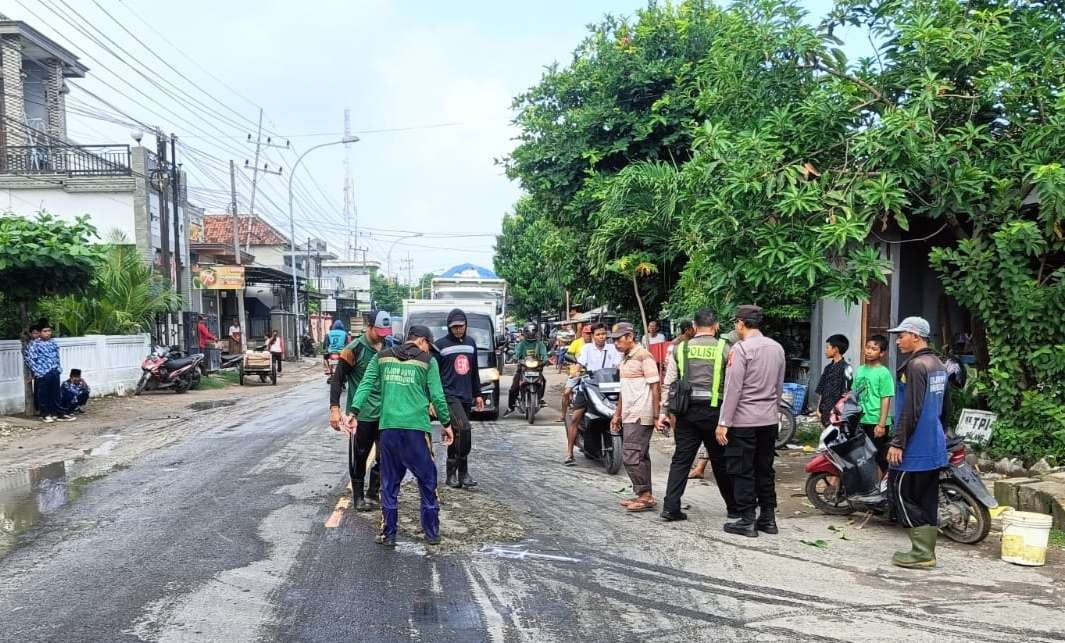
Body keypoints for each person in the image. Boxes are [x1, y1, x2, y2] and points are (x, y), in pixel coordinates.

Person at [347, 325, 454, 547]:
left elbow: (365, 385)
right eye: (428, 345)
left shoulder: (382, 357)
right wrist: (446, 423)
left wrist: (353, 411)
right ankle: (432, 533)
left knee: (389, 484)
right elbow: (437, 396)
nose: (429, 350)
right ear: (422, 341)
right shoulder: (427, 361)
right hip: (417, 432)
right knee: (427, 481)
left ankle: (389, 533)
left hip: (389, 430)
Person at [658, 310, 736, 522]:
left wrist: (663, 412)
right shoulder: (725, 348)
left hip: (685, 413)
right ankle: (734, 508)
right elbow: (732, 385)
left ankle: (670, 507)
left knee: (681, 460)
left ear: (694, 325)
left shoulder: (680, 348)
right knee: (721, 461)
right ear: (716, 326)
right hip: (714, 413)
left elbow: (670, 382)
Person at [716, 305, 785, 537]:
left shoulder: (741, 349)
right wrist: (773, 414)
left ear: (740, 323)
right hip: (768, 420)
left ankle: (746, 519)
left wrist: (724, 421)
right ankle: (768, 518)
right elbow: (778, 386)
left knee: (742, 469)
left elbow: (733, 388)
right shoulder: (776, 348)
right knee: (764, 469)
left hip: (744, 421)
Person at [886, 316, 949, 569]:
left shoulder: (915, 366)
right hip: (934, 441)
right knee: (926, 497)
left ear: (915, 335)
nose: (898, 340)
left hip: (915, 446)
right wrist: (942, 433)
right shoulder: (937, 364)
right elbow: (946, 406)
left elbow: (911, 409)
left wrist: (898, 442)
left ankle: (921, 551)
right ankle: (927, 551)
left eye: (901, 335)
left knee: (900, 493)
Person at [329, 309, 393, 512]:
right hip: (361, 414)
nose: (383, 335)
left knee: (386, 455)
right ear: (369, 326)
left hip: (386, 412)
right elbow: (337, 380)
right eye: (379, 331)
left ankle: (373, 492)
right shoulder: (353, 349)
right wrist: (335, 409)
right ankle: (358, 496)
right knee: (360, 455)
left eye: (386, 331)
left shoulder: (390, 346)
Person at [610, 322, 662, 512]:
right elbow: (624, 390)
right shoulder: (625, 359)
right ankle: (643, 493)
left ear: (630, 337)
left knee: (631, 455)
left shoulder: (644, 357)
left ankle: (645, 496)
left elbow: (655, 387)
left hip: (640, 414)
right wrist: (617, 414)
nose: (616, 343)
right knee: (639, 455)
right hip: (629, 413)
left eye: (619, 339)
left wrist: (656, 416)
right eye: (614, 340)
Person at [435, 308, 485, 489]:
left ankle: (456, 475)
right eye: (454, 327)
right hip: (449, 395)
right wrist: (434, 399)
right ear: (449, 327)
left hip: (465, 395)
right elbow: (435, 375)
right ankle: (459, 470)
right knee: (464, 429)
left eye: (461, 326)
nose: (458, 330)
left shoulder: (471, 343)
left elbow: (474, 372)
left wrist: (478, 394)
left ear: (466, 325)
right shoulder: (440, 346)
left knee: (457, 434)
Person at [563, 323, 621, 464]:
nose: (601, 337)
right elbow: (580, 363)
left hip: (610, 386)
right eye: (598, 334)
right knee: (576, 417)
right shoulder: (587, 348)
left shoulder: (613, 348)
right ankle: (569, 452)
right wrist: (576, 370)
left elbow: (619, 364)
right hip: (590, 385)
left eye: (603, 334)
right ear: (593, 336)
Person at [854, 334, 894, 477]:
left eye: (874, 349)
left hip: (876, 421)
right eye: (868, 347)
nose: (869, 351)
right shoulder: (860, 370)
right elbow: (854, 393)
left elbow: (886, 398)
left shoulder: (883, 373)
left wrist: (881, 424)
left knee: (877, 457)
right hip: (860, 419)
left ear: (882, 353)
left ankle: (882, 489)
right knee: (862, 456)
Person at [25, 324, 73, 423]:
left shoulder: (53, 343)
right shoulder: (34, 344)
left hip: (54, 371)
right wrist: (39, 372)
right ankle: (45, 414)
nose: (48, 333)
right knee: (43, 394)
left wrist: (58, 369)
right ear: (40, 333)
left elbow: (57, 357)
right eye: (45, 331)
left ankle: (58, 413)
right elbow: (31, 360)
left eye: (49, 331)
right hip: (43, 373)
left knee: (56, 393)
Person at [503, 322, 549, 417]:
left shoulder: (540, 344)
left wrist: (545, 360)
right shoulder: (522, 344)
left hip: (536, 369)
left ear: (536, 332)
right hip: (522, 369)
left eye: (533, 332)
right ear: (525, 332)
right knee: (514, 388)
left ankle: (540, 398)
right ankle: (510, 407)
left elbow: (544, 355)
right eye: (528, 331)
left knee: (543, 381)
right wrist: (515, 357)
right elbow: (516, 353)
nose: (531, 334)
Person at [815, 334, 852, 427]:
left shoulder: (847, 368)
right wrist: (818, 409)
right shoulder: (828, 368)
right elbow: (821, 389)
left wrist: (837, 411)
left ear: (836, 349)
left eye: (828, 348)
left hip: (838, 412)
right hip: (825, 410)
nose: (825, 351)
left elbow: (847, 393)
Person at [560, 324, 593, 420]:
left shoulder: (596, 345)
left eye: (591, 333)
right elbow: (568, 355)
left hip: (592, 373)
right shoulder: (576, 343)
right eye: (587, 333)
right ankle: (563, 415)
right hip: (577, 372)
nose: (589, 336)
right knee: (566, 392)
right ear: (583, 333)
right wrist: (575, 367)